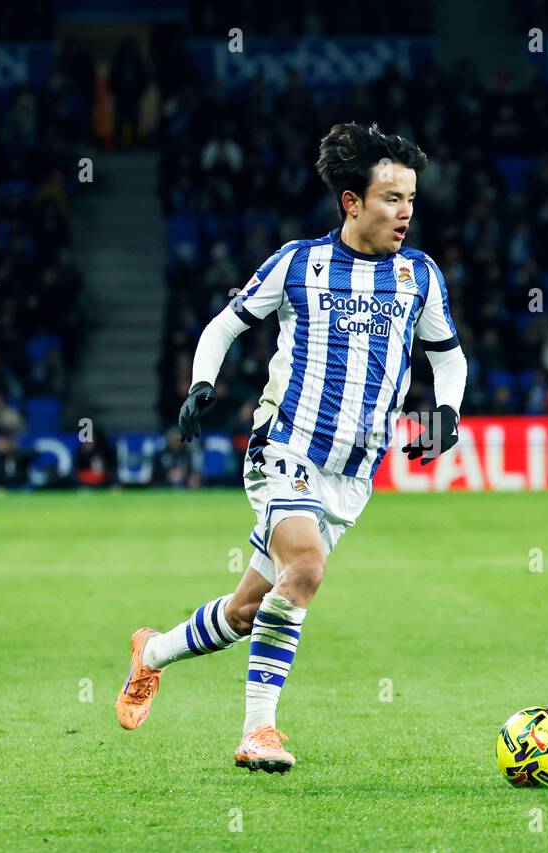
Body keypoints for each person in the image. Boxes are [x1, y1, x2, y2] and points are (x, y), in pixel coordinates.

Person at [115, 122, 467, 773]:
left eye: (410, 198)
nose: (406, 211)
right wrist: (200, 385)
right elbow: (224, 326)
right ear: (352, 202)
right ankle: (258, 733)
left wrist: (447, 412)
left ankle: (151, 653)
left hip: (352, 477)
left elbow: (448, 357)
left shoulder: (420, 275)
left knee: (250, 609)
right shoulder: (300, 263)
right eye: (391, 198)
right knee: (303, 569)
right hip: (285, 449)